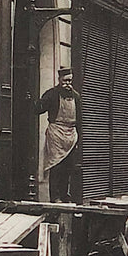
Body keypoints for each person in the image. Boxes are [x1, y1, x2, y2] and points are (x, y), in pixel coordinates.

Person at [37, 67, 80, 202]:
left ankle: (64, 194)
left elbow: (80, 119)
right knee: (56, 166)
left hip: (71, 134)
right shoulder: (52, 94)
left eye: (70, 81)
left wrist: (78, 140)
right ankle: (55, 197)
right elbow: (39, 108)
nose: (68, 84)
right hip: (56, 134)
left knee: (68, 166)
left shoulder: (76, 97)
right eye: (65, 81)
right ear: (59, 80)